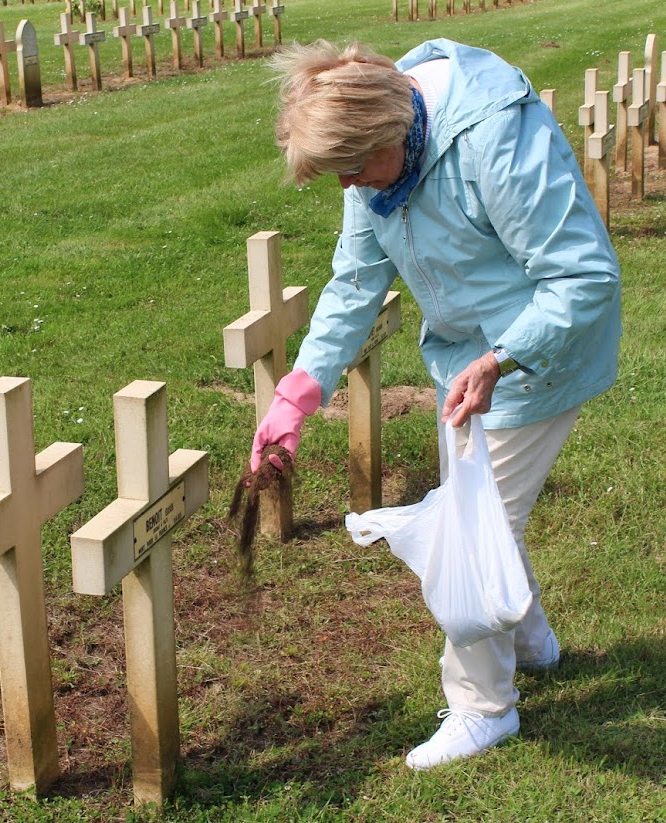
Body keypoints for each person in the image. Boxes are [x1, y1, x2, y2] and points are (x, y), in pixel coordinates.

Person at [251, 39, 622, 769]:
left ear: (391, 132)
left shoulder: (495, 137)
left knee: (470, 529)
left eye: (353, 168)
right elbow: (355, 283)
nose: (348, 185)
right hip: (467, 361)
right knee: (484, 510)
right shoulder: (376, 170)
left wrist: (500, 358)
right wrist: (297, 394)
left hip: (536, 349)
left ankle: (483, 707)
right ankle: (531, 643)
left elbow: (583, 276)